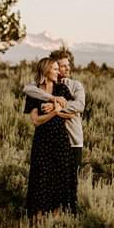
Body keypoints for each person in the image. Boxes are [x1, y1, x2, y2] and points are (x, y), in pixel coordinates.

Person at [23, 57, 80, 216]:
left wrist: (57, 109)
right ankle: (38, 218)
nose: (58, 71)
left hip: (60, 140)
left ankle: (55, 219)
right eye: (55, 69)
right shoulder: (34, 92)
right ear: (46, 70)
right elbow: (35, 121)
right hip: (42, 141)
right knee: (40, 178)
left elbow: (73, 113)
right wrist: (55, 111)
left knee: (59, 179)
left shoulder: (61, 89)